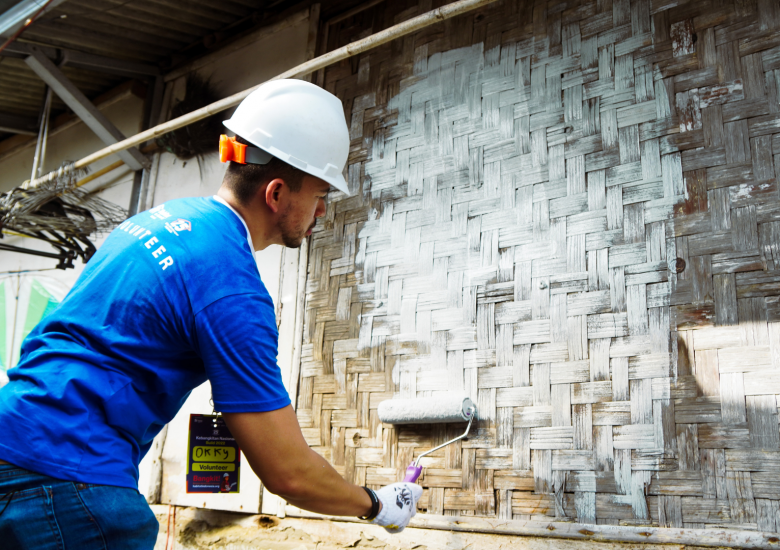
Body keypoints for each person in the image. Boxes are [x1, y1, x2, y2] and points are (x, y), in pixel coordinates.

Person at [0, 79, 422, 550]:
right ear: (277, 192)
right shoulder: (232, 292)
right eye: (320, 193)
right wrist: (378, 504)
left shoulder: (153, 221)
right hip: (66, 483)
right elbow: (288, 473)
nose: (322, 210)